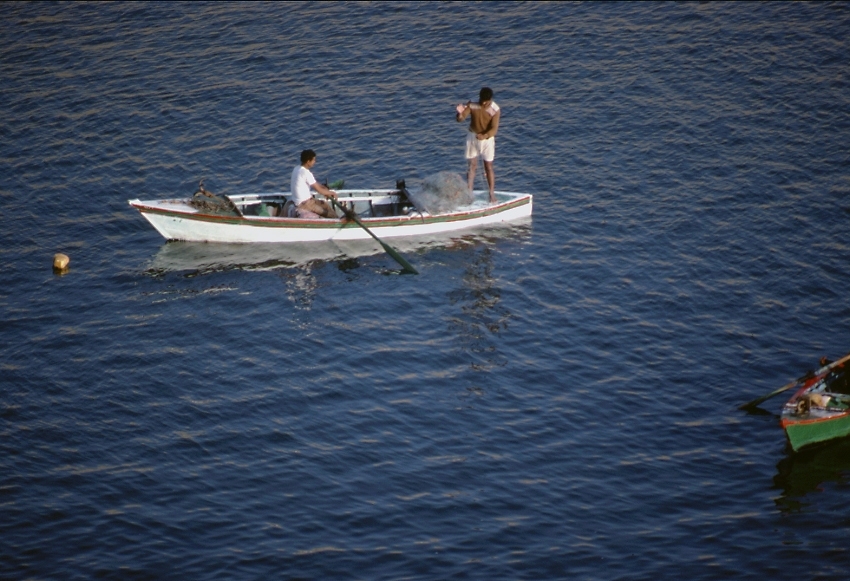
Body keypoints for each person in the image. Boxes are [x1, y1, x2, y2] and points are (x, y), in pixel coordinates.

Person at [456, 87, 500, 203]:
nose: (483, 103)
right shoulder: (473, 104)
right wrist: (460, 114)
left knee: (488, 166)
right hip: (472, 137)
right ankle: (469, 193)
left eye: (486, 102)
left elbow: (494, 129)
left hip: (487, 140)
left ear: (490, 100)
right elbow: (461, 118)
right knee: (472, 166)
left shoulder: (495, 109)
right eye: (482, 101)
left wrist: (485, 135)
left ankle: (491, 194)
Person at [288, 149, 338, 219]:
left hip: (306, 201)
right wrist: (332, 193)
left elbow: (315, 184)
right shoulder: (306, 173)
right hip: (305, 204)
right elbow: (319, 190)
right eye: (313, 160)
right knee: (330, 214)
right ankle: (336, 219)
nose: (315, 162)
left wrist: (324, 188)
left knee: (325, 205)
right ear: (308, 161)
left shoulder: (296, 168)